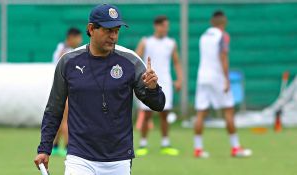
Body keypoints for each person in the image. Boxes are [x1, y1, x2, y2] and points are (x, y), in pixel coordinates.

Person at [34, 4, 165, 175]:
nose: (113, 36)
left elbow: (158, 104)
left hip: (119, 158)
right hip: (79, 157)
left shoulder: (131, 61)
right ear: (91, 29)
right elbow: (54, 109)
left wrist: (153, 88)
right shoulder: (68, 62)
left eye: (117, 30)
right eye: (108, 30)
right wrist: (45, 148)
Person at [193, 11, 252, 158]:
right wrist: (226, 79)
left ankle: (198, 149)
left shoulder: (203, 36)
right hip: (217, 77)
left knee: (201, 113)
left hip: (202, 77)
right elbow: (223, 57)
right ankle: (235, 147)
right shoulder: (223, 36)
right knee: (228, 110)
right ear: (223, 23)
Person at [135, 16, 183, 156]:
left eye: (167, 26)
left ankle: (165, 143)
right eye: (163, 26)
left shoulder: (171, 43)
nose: (165, 29)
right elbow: (135, 60)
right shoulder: (146, 42)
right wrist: (138, 80)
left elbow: (176, 62)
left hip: (165, 82)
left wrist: (179, 79)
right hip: (148, 81)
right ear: (156, 26)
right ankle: (143, 144)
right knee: (146, 114)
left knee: (165, 113)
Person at [51, 27, 82, 157]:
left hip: (61, 89)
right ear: (71, 38)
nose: (80, 40)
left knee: (59, 118)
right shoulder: (65, 51)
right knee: (66, 119)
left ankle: (55, 146)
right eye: (78, 37)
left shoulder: (64, 49)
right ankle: (69, 147)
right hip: (66, 89)